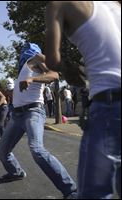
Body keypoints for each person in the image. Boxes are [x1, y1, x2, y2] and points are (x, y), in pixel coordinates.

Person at [45, 1, 121, 198]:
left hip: (110, 105)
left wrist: (70, 70)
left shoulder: (58, 5)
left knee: (93, 193)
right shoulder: (115, 5)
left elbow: (52, 60)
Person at [0, 42, 77, 199]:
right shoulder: (25, 66)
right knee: (2, 152)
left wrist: (33, 80)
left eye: (25, 47)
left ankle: (71, 191)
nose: (22, 51)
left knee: (37, 150)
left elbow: (54, 75)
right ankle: (16, 172)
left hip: (33, 111)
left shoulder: (37, 57)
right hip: (17, 115)